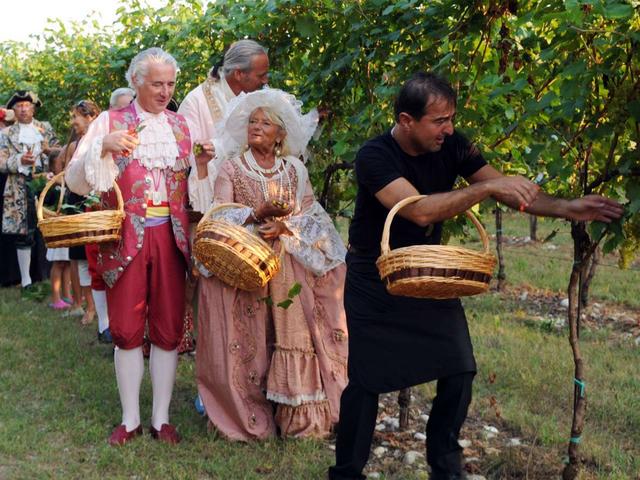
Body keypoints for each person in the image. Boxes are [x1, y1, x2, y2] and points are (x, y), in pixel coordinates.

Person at [328, 72, 624, 480]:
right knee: (366, 381)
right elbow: (420, 210)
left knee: (459, 367)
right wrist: (484, 191)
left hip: (429, 274)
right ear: (406, 120)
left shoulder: (454, 144)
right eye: (439, 120)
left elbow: (507, 188)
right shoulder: (373, 155)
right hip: (376, 276)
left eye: (451, 118)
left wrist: (570, 208)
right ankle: (346, 473)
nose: (448, 129)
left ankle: (446, 470)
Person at [191, 88, 348, 440]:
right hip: (244, 264)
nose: (257, 127)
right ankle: (250, 414)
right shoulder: (231, 168)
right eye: (252, 122)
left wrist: (285, 226)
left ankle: (297, 420)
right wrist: (255, 214)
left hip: (286, 266)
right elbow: (218, 214)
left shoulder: (294, 170)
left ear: (281, 135)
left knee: (290, 333)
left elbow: (312, 215)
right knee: (250, 338)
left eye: (266, 123)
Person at [66, 47, 192, 446]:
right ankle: (130, 419)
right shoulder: (110, 120)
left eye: (170, 83)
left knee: (169, 328)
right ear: (137, 80)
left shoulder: (181, 125)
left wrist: (203, 164)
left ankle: (161, 419)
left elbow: (193, 187)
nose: (165, 91)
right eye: (157, 83)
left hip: (171, 237)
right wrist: (104, 145)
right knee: (125, 327)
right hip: (125, 236)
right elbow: (74, 181)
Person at [178, 38, 269, 214]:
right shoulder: (195, 102)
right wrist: (218, 147)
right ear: (239, 74)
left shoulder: (259, 96)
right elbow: (188, 159)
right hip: (212, 209)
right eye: (261, 75)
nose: (265, 81)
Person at [0, 90, 59, 292]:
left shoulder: (45, 129)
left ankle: (49, 276)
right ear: (14, 110)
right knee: (23, 232)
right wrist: (19, 161)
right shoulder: (6, 134)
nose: (24, 109)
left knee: (48, 229)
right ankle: (26, 280)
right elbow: (1, 161)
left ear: (33, 108)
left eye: (27, 105)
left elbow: (56, 153)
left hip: (44, 184)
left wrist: (51, 168)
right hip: (18, 186)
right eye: (19, 106)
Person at [55, 100, 101, 322]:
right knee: (79, 255)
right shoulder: (74, 146)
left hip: (95, 201)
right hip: (76, 202)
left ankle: (97, 306)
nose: (73, 122)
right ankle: (86, 304)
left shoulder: (101, 141)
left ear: (90, 116)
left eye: (76, 116)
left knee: (94, 254)